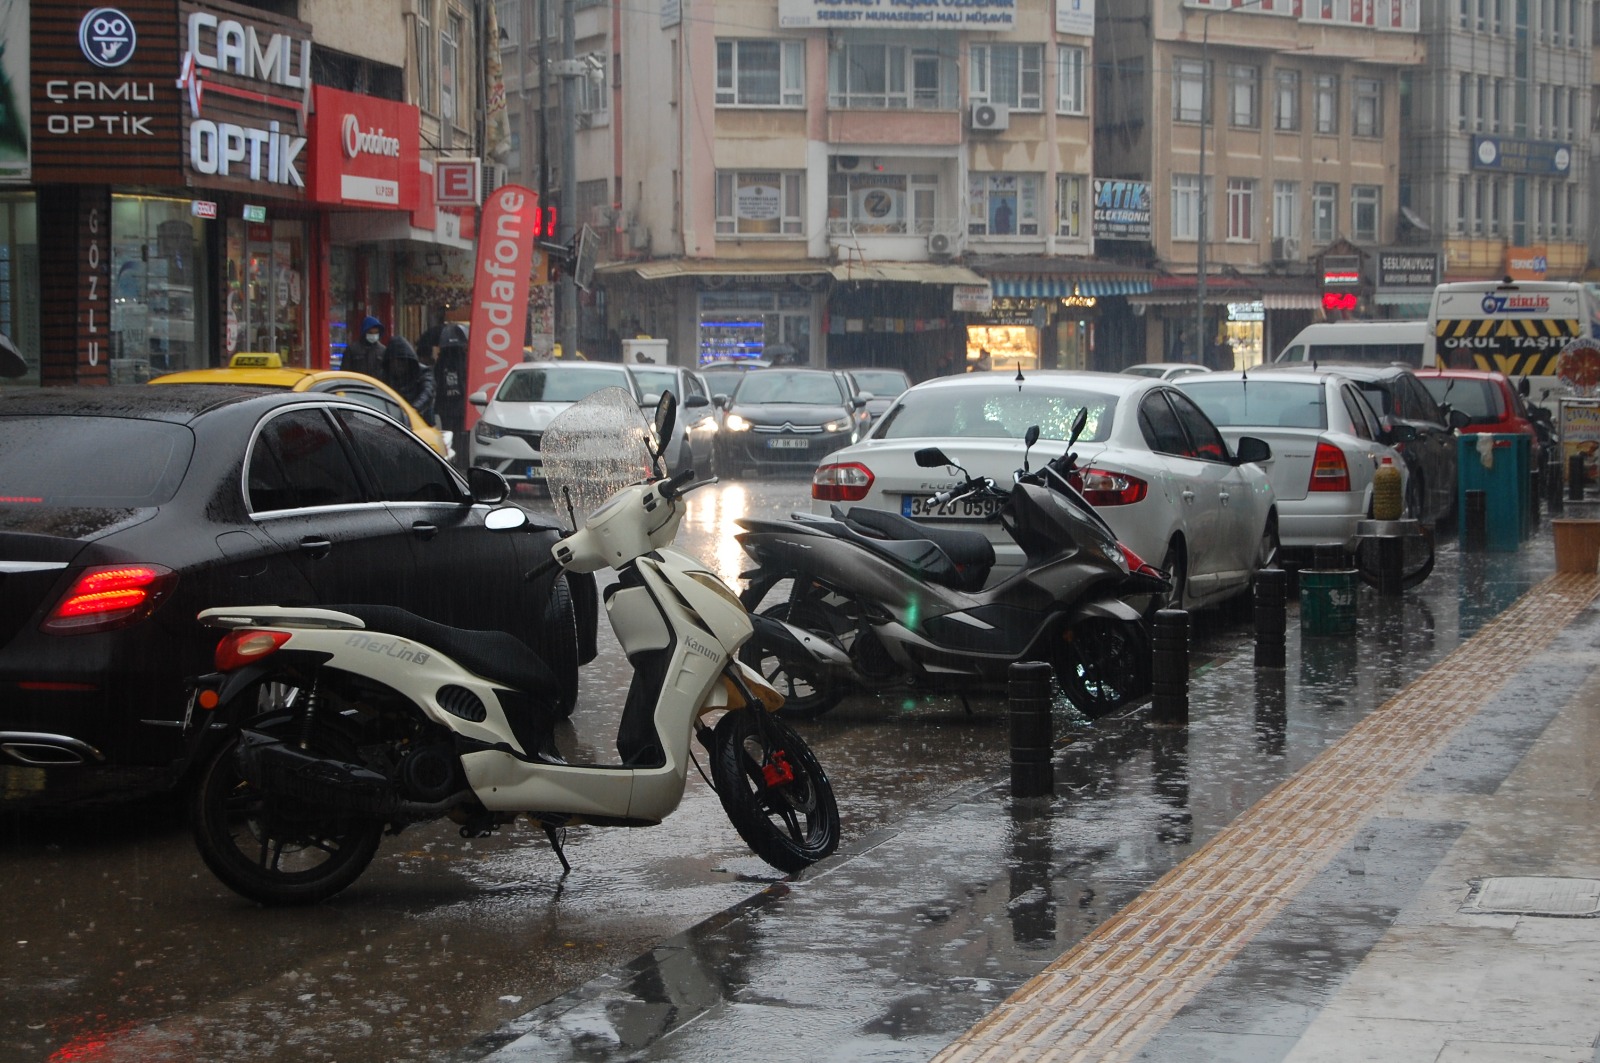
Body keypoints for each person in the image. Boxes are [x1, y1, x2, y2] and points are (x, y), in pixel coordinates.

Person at [384, 331, 434, 422]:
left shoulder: (422, 372)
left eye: (400, 362)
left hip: (421, 421)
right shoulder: (386, 375)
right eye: (393, 362)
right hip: (395, 420)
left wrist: (413, 409)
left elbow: (427, 392)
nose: (396, 366)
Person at [433, 323, 469, 435]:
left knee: (447, 431)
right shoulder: (464, 359)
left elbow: (437, 380)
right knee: (460, 432)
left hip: (446, 405)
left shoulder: (441, 361)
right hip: (460, 404)